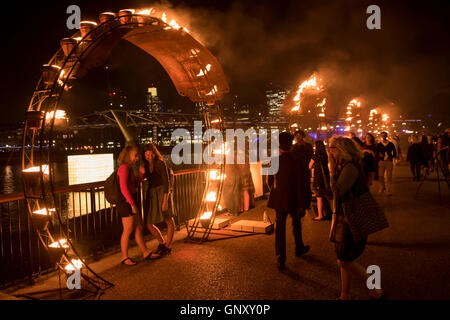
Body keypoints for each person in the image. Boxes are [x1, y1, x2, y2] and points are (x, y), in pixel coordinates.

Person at [328, 136, 385, 300]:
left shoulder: (351, 168)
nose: (329, 151)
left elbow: (337, 191)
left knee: (345, 260)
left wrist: (331, 170)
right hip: (346, 217)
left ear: (340, 150)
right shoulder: (346, 166)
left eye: (331, 148)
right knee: (344, 257)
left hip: (352, 218)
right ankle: (345, 294)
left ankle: (374, 286)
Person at [267, 132, 309, 270]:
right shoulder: (297, 161)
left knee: (280, 227)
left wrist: (276, 192)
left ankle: (280, 257)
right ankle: (299, 247)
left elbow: (269, 181)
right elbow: (301, 184)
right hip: (294, 198)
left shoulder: (274, 160)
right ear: (291, 145)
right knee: (296, 223)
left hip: (279, 198)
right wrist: (303, 203)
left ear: (279, 146)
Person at [117, 145, 156, 265]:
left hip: (131, 200)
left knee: (138, 227)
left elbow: (134, 186)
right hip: (126, 202)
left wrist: (140, 175)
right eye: (135, 155)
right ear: (128, 155)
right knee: (128, 229)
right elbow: (123, 188)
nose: (137, 158)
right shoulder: (123, 168)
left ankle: (145, 252)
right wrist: (132, 204)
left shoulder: (129, 168)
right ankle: (124, 257)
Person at [140, 143, 175, 256]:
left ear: (154, 154)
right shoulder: (145, 166)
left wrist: (165, 201)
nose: (149, 157)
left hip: (162, 193)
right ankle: (162, 243)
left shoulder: (160, 163)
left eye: (150, 154)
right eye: (146, 155)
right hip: (152, 194)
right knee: (149, 223)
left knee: (168, 220)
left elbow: (166, 183)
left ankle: (168, 246)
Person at [309, 140, 330, 221]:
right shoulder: (326, 155)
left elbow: (309, 166)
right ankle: (329, 212)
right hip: (326, 178)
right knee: (326, 195)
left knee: (319, 197)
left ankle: (320, 215)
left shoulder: (315, 156)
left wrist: (314, 165)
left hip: (318, 178)